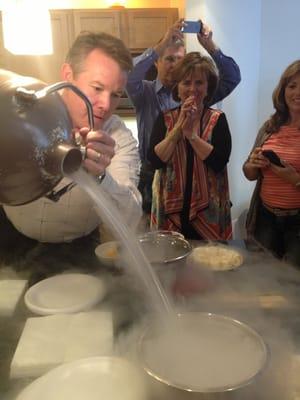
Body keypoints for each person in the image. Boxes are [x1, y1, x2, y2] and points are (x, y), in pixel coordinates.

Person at [0, 32, 142, 269]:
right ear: (68, 75)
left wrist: (101, 177)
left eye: (116, 95)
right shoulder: (28, 110)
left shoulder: (117, 138)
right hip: (12, 242)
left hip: (83, 249)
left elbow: (129, 218)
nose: (106, 105)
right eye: (97, 88)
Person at [126, 18, 241, 217]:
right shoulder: (144, 92)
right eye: (169, 58)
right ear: (157, 61)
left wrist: (210, 46)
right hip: (154, 170)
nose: (175, 64)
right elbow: (127, 75)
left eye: (180, 59)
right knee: (156, 234)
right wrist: (160, 46)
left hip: (198, 170)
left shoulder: (197, 93)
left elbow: (232, 77)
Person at [147, 52, 232, 240]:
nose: (192, 89)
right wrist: (178, 128)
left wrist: (191, 136)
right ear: (177, 88)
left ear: (208, 87)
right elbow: (155, 161)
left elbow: (219, 162)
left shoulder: (218, 119)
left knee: (208, 263)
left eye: (199, 82)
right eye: (186, 82)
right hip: (170, 208)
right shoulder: (165, 119)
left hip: (208, 210)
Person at [243, 60, 300, 266]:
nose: (297, 93)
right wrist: (253, 164)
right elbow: (249, 173)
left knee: (294, 284)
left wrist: (295, 179)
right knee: (262, 277)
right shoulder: (270, 127)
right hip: (265, 217)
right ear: (283, 90)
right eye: (292, 86)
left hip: (297, 223)